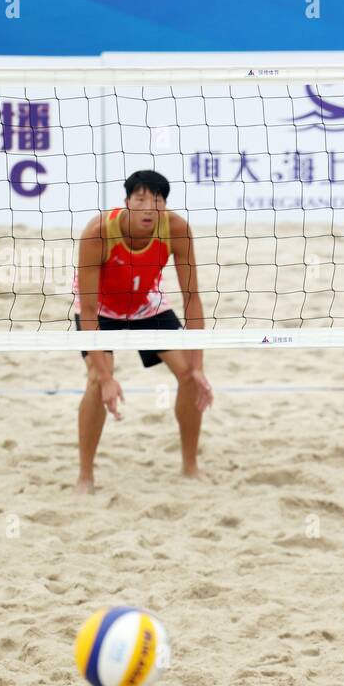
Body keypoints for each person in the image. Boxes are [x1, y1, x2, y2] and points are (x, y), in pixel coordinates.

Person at [72, 170, 214, 494]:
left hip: (146, 305)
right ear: (127, 203)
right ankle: (85, 476)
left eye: (157, 201)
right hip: (101, 310)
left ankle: (190, 467)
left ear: (164, 206)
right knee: (96, 379)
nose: (149, 208)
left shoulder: (176, 229)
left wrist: (198, 364)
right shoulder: (98, 233)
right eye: (141, 200)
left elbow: (192, 298)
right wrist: (107, 377)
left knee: (190, 376)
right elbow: (90, 311)